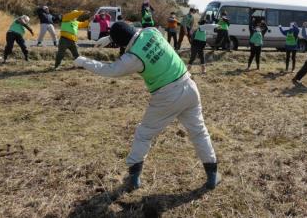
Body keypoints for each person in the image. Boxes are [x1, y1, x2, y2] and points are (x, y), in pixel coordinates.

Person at [74, 22, 220, 190]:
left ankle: (134, 178)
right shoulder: (152, 32)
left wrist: (84, 61)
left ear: (120, 43)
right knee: (199, 132)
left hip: (167, 96)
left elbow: (110, 70)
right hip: (189, 86)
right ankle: (212, 176)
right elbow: (136, 32)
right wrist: (112, 37)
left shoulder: (132, 58)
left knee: (144, 134)